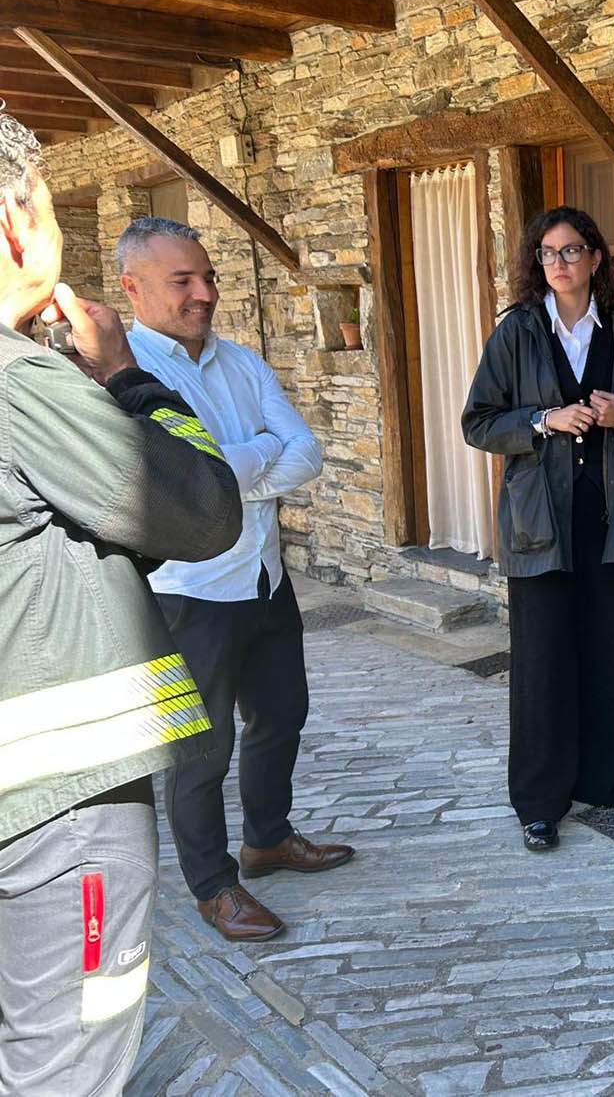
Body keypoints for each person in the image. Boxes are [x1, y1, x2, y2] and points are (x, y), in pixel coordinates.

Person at [0, 115, 241, 1094]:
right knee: (67, 1063)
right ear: (19, 229)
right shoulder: (24, 387)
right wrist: (125, 376)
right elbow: (204, 505)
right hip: (59, 811)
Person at [119, 217, 348, 944]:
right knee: (201, 748)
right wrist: (245, 460)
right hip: (190, 590)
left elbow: (305, 453)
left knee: (282, 713)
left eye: (208, 276)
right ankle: (215, 885)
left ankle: (268, 839)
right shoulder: (131, 378)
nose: (205, 292)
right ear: (134, 287)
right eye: (183, 280)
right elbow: (177, 486)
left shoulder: (243, 362)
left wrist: (224, 468)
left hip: (263, 576)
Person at [462, 206, 614, 852]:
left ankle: (606, 778)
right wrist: (541, 419)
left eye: (571, 250)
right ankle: (539, 799)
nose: (559, 263)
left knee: (610, 651)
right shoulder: (517, 334)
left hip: (612, 522)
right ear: (540, 265)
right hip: (541, 525)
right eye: (548, 253)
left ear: (594, 258)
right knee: (542, 661)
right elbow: (478, 421)